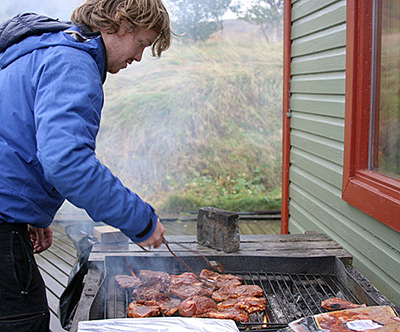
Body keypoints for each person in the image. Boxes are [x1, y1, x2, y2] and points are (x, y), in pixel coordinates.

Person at [0, 0, 171, 330]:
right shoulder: (72, 61)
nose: (138, 57)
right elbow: (67, 162)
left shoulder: (44, 48)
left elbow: (15, 133)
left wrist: (29, 212)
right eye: (141, 44)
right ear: (119, 24)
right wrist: (142, 221)